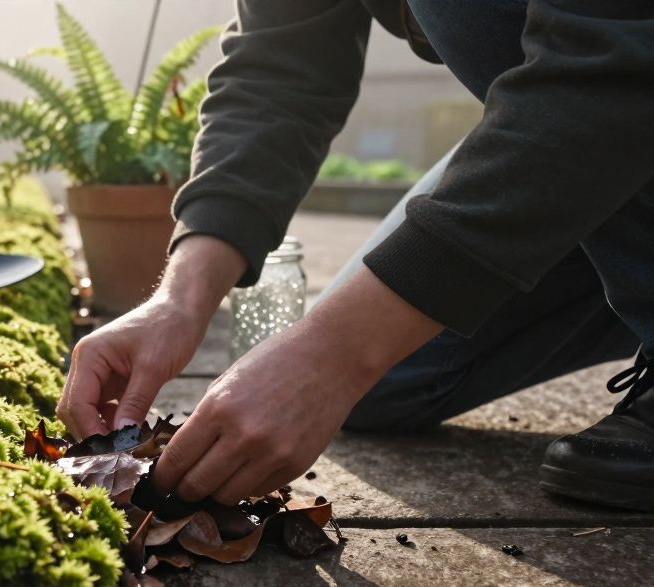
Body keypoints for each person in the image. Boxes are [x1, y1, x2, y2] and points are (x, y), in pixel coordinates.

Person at [57, 0, 654, 512]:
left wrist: (332, 353)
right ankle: (623, 259)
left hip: (614, 84)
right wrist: (179, 299)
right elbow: (278, 69)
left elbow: (613, 59)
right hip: (584, 130)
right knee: (379, 374)